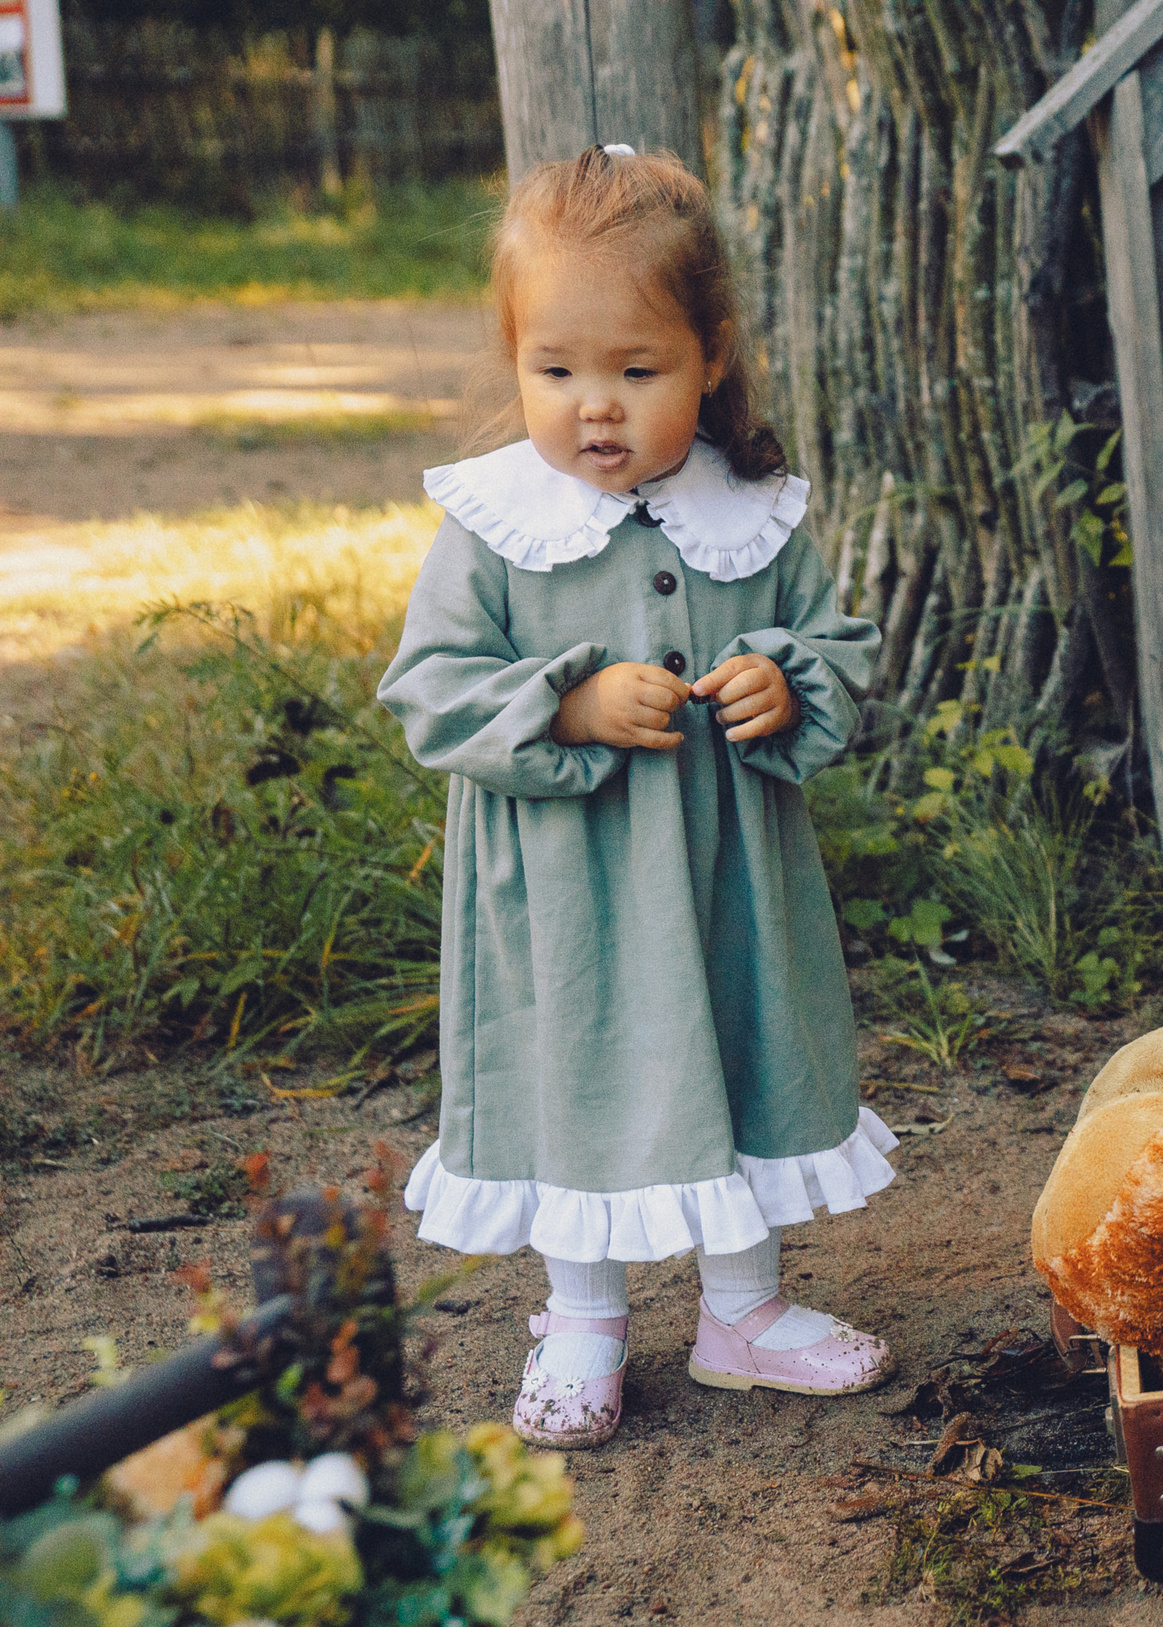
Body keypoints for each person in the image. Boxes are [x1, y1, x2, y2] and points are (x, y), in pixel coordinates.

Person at [379, 145, 895, 1450]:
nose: (593, 407)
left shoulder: (757, 515)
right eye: (556, 370)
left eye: (635, 370)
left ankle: (742, 1311)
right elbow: (431, 687)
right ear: (514, 356)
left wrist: (784, 682)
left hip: (728, 879)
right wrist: (564, 704)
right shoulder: (497, 525)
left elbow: (834, 645)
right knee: (581, 1071)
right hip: (566, 900)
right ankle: (585, 1315)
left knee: (740, 1050)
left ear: (710, 356)